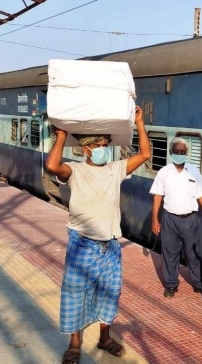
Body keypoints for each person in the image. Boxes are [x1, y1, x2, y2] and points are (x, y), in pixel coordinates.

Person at [45, 106, 151, 364]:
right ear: (87, 148)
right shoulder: (75, 171)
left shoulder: (116, 170)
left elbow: (146, 154)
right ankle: (74, 345)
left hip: (110, 245)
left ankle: (104, 338)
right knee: (75, 292)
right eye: (99, 144)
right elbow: (51, 165)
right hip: (82, 244)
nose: (104, 148)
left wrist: (139, 122)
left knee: (109, 293)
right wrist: (61, 136)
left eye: (106, 144)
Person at [149, 137, 202, 299]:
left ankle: (200, 285)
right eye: (177, 151)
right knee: (170, 253)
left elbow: (201, 194)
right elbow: (158, 196)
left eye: (182, 152)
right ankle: (171, 285)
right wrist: (154, 219)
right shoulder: (164, 172)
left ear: (186, 153)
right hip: (170, 219)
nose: (179, 154)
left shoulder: (194, 171)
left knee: (194, 254)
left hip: (190, 220)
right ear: (171, 152)